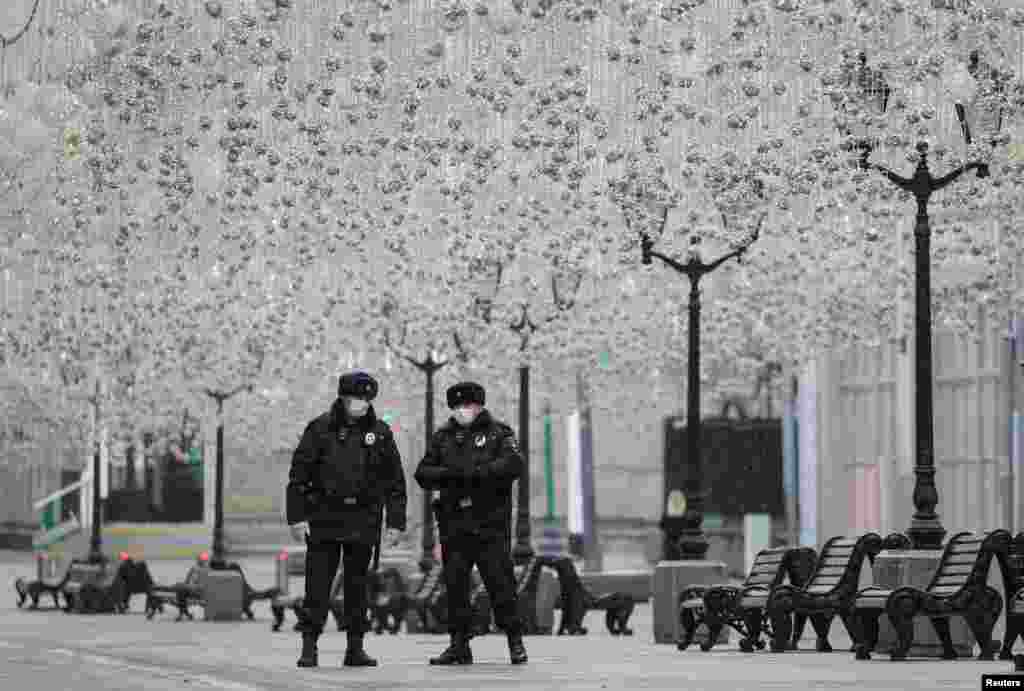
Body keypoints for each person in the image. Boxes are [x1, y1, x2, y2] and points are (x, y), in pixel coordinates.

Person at [286, 371, 407, 668]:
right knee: (318, 586)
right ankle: (309, 646)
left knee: (358, 587)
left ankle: (355, 647)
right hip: (325, 517)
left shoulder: (380, 433)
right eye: (356, 398)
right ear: (342, 397)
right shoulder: (319, 429)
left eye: (366, 399)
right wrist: (297, 518)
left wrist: (395, 522)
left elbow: (395, 482)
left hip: (363, 519)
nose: (361, 404)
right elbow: (299, 477)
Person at [414, 381, 528, 665]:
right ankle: (458, 644)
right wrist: (451, 475)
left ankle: (515, 640)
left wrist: (480, 474)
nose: (464, 411)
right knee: (455, 586)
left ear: (480, 406)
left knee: (500, 583)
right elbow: (423, 472)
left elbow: (514, 464)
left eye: (469, 406)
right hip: (454, 524)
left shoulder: (499, 433)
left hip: (489, 524)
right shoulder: (443, 437)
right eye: (458, 406)